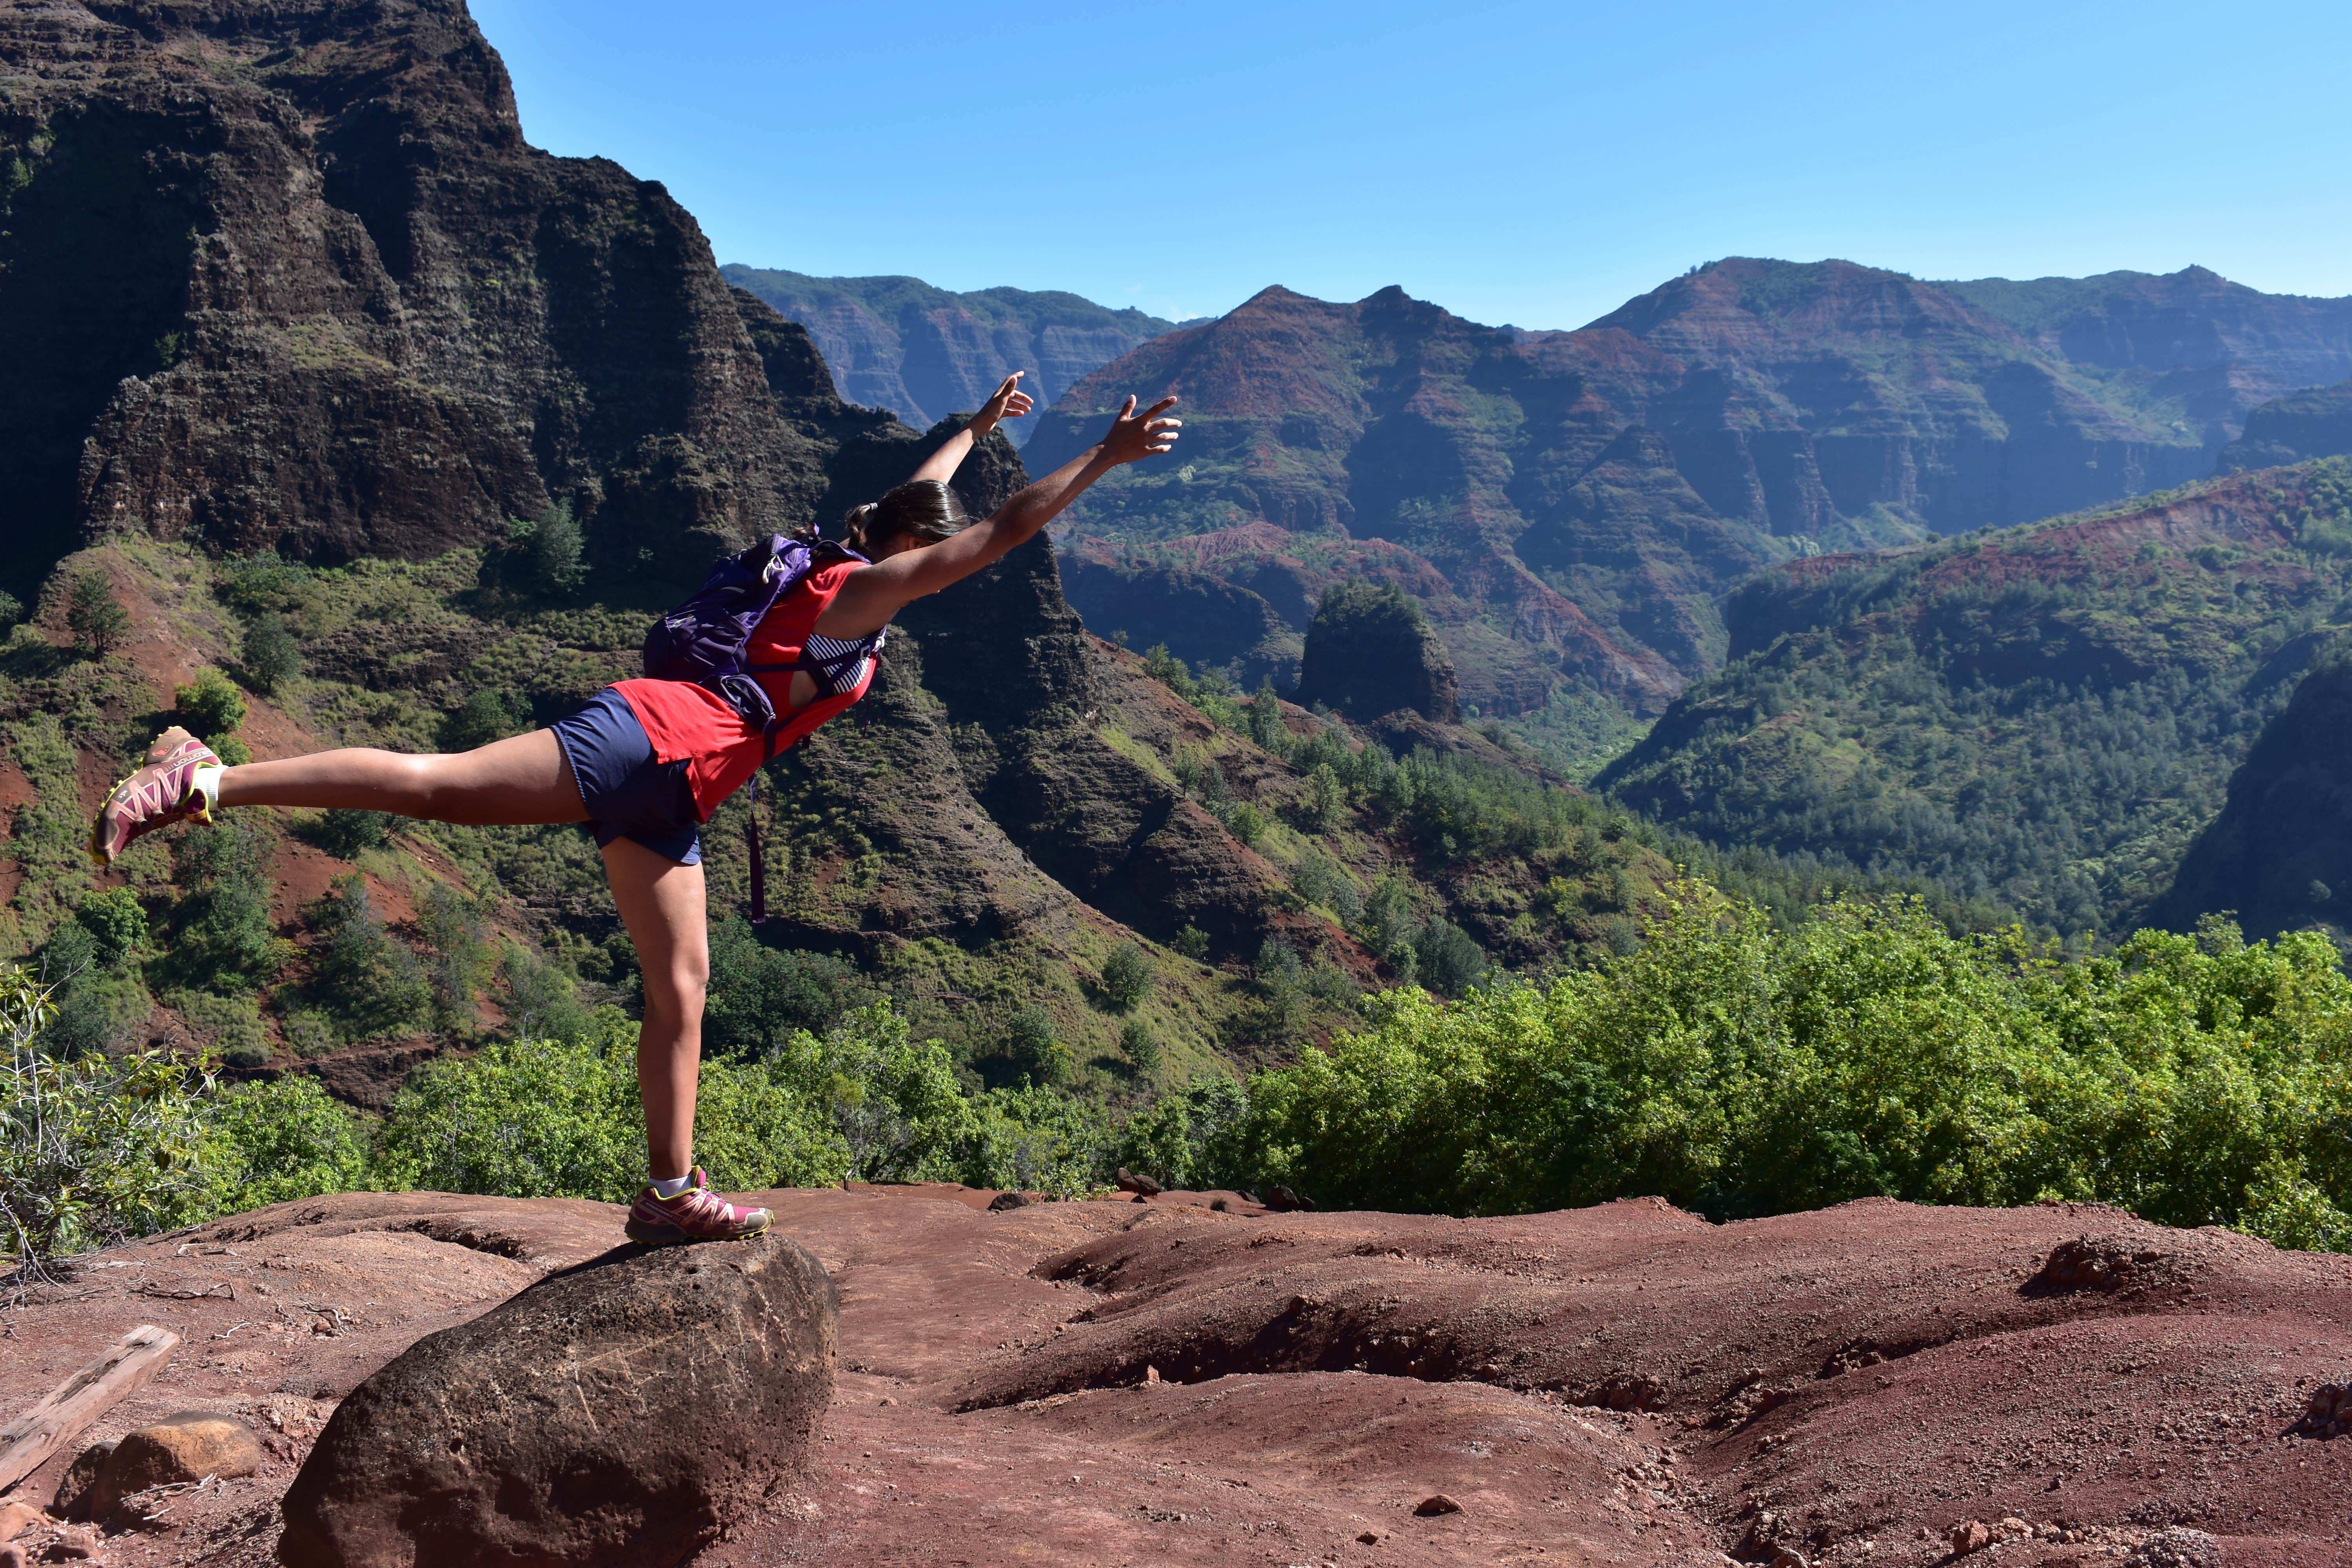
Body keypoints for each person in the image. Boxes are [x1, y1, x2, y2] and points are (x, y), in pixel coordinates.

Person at [89, 374, 1180, 1245]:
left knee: (684, 988)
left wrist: (976, 428)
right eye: (926, 546)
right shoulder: (865, 593)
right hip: (656, 740)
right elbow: (991, 539)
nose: (936, 559)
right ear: (908, 546)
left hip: (678, 786)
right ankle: (205, 776)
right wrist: (1103, 459)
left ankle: (667, 1191)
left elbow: (925, 490)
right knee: (436, 784)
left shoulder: (838, 552)